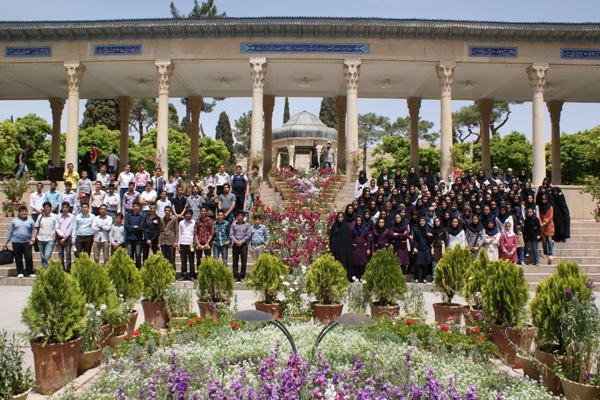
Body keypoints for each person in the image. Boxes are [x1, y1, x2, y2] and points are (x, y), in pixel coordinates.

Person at [3, 206, 35, 278]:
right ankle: (20, 272)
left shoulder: (31, 221)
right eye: (22, 211)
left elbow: (34, 231)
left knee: (28, 257)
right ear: (19, 212)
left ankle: (29, 272)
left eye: (25, 211)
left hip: (27, 242)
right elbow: (10, 232)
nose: (24, 213)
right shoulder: (14, 221)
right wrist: (6, 242)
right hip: (16, 242)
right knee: (18, 258)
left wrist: (33, 239)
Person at [329, 212, 353, 281]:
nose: (340, 218)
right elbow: (332, 238)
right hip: (336, 249)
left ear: (343, 217)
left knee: (343, 263)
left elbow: (348, 240)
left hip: (344, 249)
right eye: (339, 217)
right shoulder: (335, 226)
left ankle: (344, 278)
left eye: (341, 217)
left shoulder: (346, 226)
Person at [33, 201, 57, 269]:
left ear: (50, 208)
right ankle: (45, 269)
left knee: (47, 256)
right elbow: (36, 227)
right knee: (43, 257)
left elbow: (56, 228)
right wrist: (34, 237)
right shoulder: (40, 216)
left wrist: (54, 238)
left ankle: (46, 270)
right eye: (45, 207)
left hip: (50, 239)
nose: (46, 208)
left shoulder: (55, 217)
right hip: (40, 239)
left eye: (47, 207)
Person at [230, 211, 251, 282]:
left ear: (243, 216)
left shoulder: (247, 225)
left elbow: (248, 235)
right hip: (235, 244)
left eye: (242, 215)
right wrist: (236, 241)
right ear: (237, 217)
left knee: (244, 261)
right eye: (239, 215)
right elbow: (231, 234)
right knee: (235, 261)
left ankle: (242, 276)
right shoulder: (233, 225)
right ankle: (235, 276)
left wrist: (241, 242)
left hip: (243, 245)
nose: (240, 217)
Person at [412, 216, 433, 284]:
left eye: (423, 221)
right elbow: (414, 239)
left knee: (425, 265)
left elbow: (431, 240)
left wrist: (430, 236)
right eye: (421, 221)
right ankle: (416, 278)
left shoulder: (428, 229)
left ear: (425, 222)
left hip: (426, 248)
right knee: (417, 264)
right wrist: (414, 247)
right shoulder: (416, 229)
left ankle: (424, 278)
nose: (422, 222)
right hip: (419, 248)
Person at [177, 209, 196, 281]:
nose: (188, 215)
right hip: (183, 243)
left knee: (191, 260)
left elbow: (195, 233)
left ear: (191, 215)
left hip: (191, 243)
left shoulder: (194, 222)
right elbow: (179, 233)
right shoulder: (181, 223)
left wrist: (195, 243)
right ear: (184, 215)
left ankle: (192, 275)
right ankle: (183, 275)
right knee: (183, 260)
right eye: (186, 214)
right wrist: (178, 244)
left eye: (189, 214)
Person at [125, 202, 145, 269]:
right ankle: (131, 269)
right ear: (132, 207)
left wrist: (131, 228)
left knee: (138, 255)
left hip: (138, 239)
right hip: (129, 238)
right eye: (134, 206)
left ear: (139, 207)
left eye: (137, 206)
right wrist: (134, 227)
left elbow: (140, 227)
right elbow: (126, 226)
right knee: (129, 255)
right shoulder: (128, 215)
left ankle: (138, 269)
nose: (136, 207)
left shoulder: (141, 216)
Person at [351, 215, 372, 280]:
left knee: (362, 263)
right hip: (355, 248)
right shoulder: (353, 228)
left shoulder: (365, 229)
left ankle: (362, 276)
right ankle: (357, 277)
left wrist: (368, 249)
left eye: (360, 220)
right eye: (357, 220)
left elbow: (368, 239)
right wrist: (352, 245)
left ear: (362, 221)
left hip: (363, 248)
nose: (358, 222)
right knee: (356, 263)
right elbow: (351, 238)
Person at [56, 202, 75, 272]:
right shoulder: (58, 216)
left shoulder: (72, 217)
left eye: (66, 207)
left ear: (69, 208)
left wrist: (65, 236)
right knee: (60, 253)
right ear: (62, 208)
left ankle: (68, 269)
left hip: (68, 237)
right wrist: (62, 235)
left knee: (68, 254)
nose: (65, 209)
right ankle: (62, 268)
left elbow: (71, 227)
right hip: (60, 237)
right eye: (64, 207)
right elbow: (57, 227)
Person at [539, 193, 555, 263]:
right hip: (542, 226)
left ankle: (550, 253)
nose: (544, 200)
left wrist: (545, 222)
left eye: (545, 199)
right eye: (542, 199)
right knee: (544, 240)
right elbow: (539, 216)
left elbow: (550, 217)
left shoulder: (550, 207)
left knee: (549, 240)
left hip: (549, 225)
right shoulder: (540, 207)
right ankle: (545, 253)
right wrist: (541, 223)